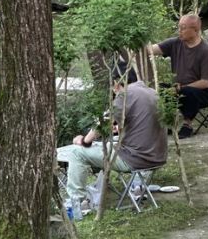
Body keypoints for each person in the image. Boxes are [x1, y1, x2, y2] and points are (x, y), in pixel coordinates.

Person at [56, 67, 167, 207]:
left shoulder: (126, 94)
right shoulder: (151, 92)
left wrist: (84, 141)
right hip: (157, 156)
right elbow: (141, 124)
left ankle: (78, 202)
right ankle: (128, 187)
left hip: (136, 159)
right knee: (106, 146)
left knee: (77, 152)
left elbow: (103, 123)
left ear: (116, 82)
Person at [149, 14, 208, 139]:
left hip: (203, 93)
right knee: (158, 88)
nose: (179, 30)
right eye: (179, 27)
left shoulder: (205, 50)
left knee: (188, 91)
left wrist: (179, 88)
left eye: (183, 28)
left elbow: (205, 82)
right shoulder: (175, 43)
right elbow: (151, 49)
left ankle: (187, 125)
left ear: (195, 30)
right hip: (177, 88)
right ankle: (168, 123)